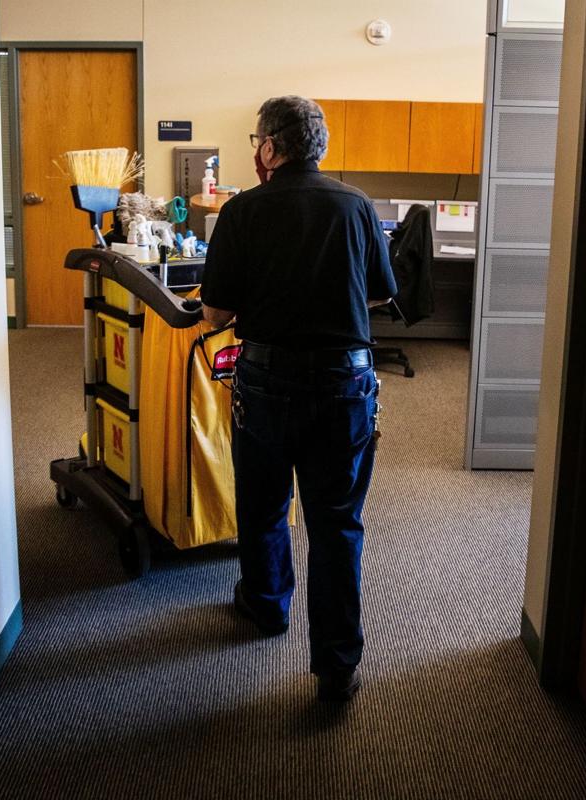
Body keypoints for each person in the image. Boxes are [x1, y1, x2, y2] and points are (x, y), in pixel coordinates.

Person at [198, 96, 397, 703]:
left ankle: (267, 607)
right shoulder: (358, 205)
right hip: (346, 386)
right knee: (337, 523)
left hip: (267, 383)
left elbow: (216, 313)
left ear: (270, 148)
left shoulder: (243, 211)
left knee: (262, 505)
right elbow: (383, 297)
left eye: (257, 139)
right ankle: (337, 663)